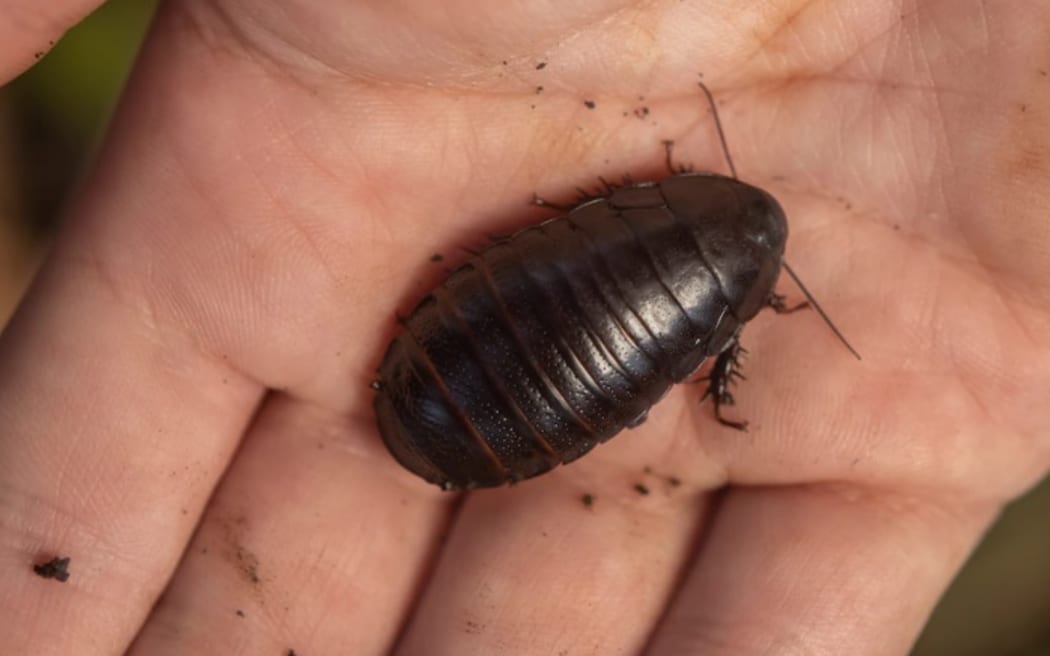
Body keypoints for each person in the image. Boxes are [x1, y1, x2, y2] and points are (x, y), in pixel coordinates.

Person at [2, 1, 1048, 653]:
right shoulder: (717, 314)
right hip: (492, 397)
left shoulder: (636, 215)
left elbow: (580, 239)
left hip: (480, 372)